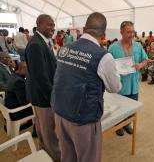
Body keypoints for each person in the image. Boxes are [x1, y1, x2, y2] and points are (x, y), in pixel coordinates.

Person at [51, 12, 121, 162]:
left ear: (83, 29)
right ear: (103, 34)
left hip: (59, 113)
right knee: (88, 158)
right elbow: (115, 88)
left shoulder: (65, 48)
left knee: (67, 156)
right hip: (83, 118)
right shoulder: (103, 56)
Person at [25, 14, 60, 161]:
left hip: (42, 96)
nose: (52, 28)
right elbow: (41, 77)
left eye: (53, 25)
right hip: (43, 98)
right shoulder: (35, 45)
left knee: (44, 131)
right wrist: (53, 98)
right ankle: (54, 158)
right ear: (39, 25)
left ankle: (45, 155)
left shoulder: (43, 42)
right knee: (48, 132)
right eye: (49, 25)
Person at [109, 21, 148, 136]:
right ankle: (118, 125)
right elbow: (107, 65)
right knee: (119, 107)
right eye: (128, 32)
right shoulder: (113, 48)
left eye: (133, 32)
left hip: (133, 85)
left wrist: (140, 65)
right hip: (120, 85)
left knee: (131, 108)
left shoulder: (138, 46)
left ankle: (127, 124)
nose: (131, 34)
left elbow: (145, 59)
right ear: (121, 32)